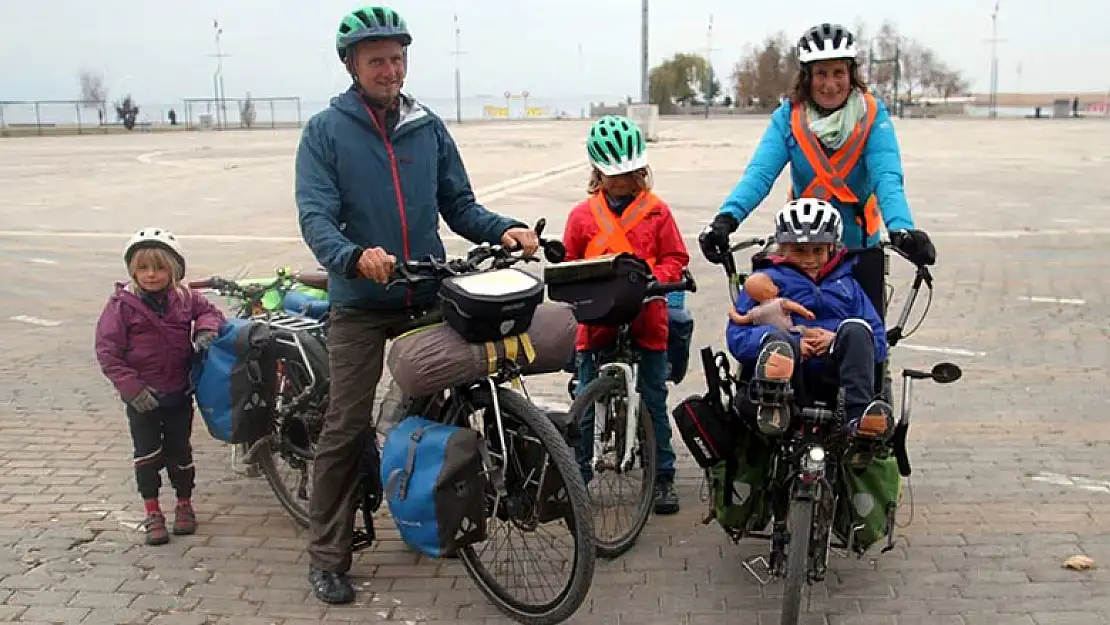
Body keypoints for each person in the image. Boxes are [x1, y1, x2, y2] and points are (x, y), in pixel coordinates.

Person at [295, 5, 540, 605]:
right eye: (377, 59)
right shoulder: (326, 131)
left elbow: (459, 203)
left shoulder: (426, 126)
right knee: (347, 425)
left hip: (426, 290)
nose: (390, 69)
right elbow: (315, 215)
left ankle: (417, 502)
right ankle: (327, 554)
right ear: (352, 65)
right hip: (360, 299)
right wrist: (353, 257)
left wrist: (502, 229)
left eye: (397, 57)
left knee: (437, 409)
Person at [699, 22, 936, 270]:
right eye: (821, 73)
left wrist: (902, 229)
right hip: (803, 251)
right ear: (807, 77)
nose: (831, 84)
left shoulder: (872, 115)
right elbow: (759, 175)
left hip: (859, 248)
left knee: (863, 308)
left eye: (838, 73)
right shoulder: (788, 118)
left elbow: (887, 178)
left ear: (851, 74)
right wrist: (726, 219)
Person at [562, 115, 690, 515]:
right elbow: (569, 262)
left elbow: (675, 257)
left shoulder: (657, 213)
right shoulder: (582, 217)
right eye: (612, 175)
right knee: (584, 400)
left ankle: (662, 476)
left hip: (646, 315)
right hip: (597, 322)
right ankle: (576, 477)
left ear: (641, 170)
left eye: (628, 173)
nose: (620, 182)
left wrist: (659, 277)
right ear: (597, 172)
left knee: (653, 398)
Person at [94, 228, 225, 545]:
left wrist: (205, 330)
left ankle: (184, 503)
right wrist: (133, 389)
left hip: (178, 393)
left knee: (180, 451)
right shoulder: (120, 307)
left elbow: (209, 311)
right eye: (143, 268)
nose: (151, 275)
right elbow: (107, 351)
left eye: (160, 268)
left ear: (174, 270)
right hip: (143, 397)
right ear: (132, 271)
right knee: (147, 454)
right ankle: (152, 510)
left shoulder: (183, 298)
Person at [726, 199, 893, 439]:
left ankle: (859, 420)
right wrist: (792, 343)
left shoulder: (849, 286)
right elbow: (737, 336)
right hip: (792, 375)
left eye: (818, 250)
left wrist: (836, 340)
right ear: (782, 249)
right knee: (777, 340)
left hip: (837, 372)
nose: (809, 259)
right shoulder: (765, 282)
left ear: (831, 249)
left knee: (857, 330)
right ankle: (775, 404)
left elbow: (877, 340)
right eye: (799, 250)